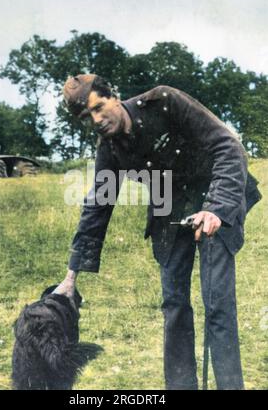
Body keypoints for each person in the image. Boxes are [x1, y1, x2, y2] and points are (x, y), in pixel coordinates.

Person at [54, 73, 261, 390]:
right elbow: (97, 206)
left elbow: (229, 147)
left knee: (217, 303)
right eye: (86, 116)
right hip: (170, 208)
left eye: (99, 107)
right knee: (174, 305)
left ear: (114, 95)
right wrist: (71, 278)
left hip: (217, 193)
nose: (96, 119)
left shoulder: (164, 101)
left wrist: (216, 208)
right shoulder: (109, 148)